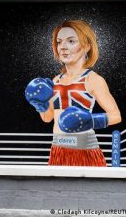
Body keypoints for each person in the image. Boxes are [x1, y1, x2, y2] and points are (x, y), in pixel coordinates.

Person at [25, 20, 121, 166]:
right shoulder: (55, 81)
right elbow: (47, 117)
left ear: (87, 46)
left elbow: (115, 116)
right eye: (59, 42)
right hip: (58, 150)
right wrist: (39, 104)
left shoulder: (93, 79)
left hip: (85, 150)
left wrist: (91, 120)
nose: (63, 47)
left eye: (71, 41)